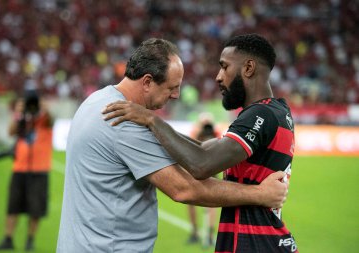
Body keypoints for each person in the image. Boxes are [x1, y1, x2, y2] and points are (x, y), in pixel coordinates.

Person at [57, 38, 288, 253]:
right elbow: (185, 188)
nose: (177, 95)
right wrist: (260, 194)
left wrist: (154, 122)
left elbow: (197, 154)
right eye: (171, 87)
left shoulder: (98, 100)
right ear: (147, 82)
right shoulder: (123, 121)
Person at [0, 90, 53, 251]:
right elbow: (11, 132)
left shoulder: (44, 119)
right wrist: (18, 113)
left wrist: (42, 108)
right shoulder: (22, 120)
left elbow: (51, 120)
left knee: (35, 209)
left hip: (39, 170)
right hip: (20, 168)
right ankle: (8, 239)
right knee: (13, 206)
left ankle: (30, 241)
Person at [186, 113, 219, 247]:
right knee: (192, 202)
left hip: (207, 170)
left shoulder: (214, 132)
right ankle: (196, 232)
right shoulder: (198, 132)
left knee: (210, 204)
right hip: (200, 170)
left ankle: (208, 234)